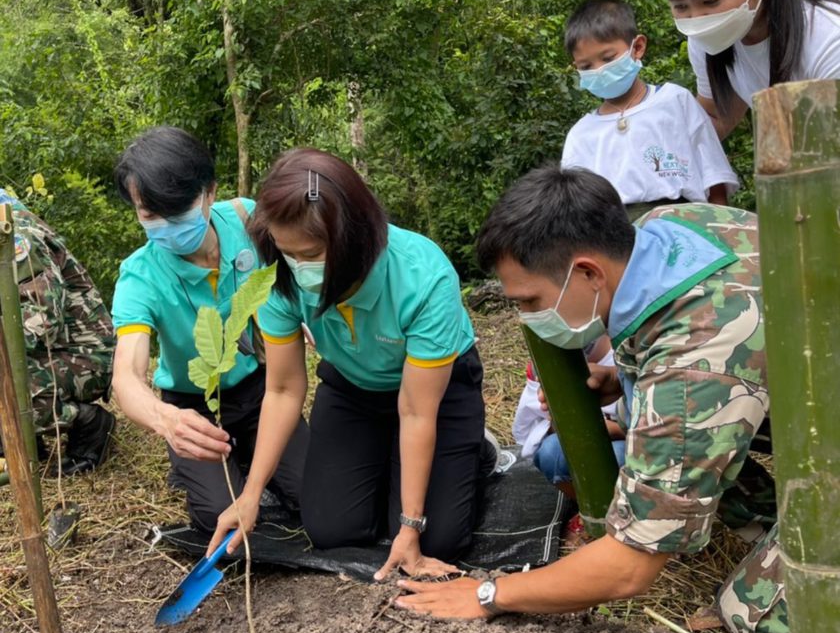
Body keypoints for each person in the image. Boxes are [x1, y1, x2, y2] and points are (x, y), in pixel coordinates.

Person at [395, 167, 785, 633]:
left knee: (753, 617)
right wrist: (629, 385)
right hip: (803, 396)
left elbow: (629, 568)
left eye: (530, 301)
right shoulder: (667, 228)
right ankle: (775, 527)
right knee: (692, 440)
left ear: (587, 273)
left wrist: (489, 593)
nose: (527, 317)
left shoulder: (694, 362)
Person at [208, 149, 490, 582]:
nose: (299, 267)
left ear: (353, 237)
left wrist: (410, 526)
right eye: (288, 252)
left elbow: (416, 411)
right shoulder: (278, 277)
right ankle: (387, 455)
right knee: (331, 529)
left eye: (311, 253)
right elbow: (282, 389)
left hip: (434, 395)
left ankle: (474, 452)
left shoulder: (422, 276)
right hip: (353, 387)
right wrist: (250, 494)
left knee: (436, 539)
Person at [110, 127, 308, 534]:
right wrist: (166, 420)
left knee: (313, 495)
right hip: (193, 405)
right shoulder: (139, 276)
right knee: (220, 519)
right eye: (150, 215)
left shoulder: (247, 221)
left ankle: (250, 458)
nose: (167, 225)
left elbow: (292, 277)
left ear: (210, 192)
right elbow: (126, 376)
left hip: (259, 389)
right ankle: (204, 467)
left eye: (178, 210)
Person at [561, 0, 738, 221]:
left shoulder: (675, 101)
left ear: (637, 47)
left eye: (608, 58)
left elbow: (713, 175)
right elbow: (575, 210)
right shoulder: (581, 134)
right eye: (586, 66)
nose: (599, 70)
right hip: (617, 233)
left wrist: (721, 227)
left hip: (686, 224)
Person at [0, 189, 115, 474]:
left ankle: (88, 423)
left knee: (6, 383)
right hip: (48, 353)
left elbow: (43, 320)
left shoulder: (15, 236)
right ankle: (25, 440)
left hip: (85, 356)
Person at [666, 0, 840, 139]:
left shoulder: (829, 37)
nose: (697, 19)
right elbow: (715, 117)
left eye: (711, 1)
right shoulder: (707, 37)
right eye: (680, 6)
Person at [513, 334, 625, 497]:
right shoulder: (546, 363)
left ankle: (625, 504)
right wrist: (561, 422)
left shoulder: (629, 349)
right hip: (586, 440)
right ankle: (589, 505)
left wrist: (609, 429)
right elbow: (533, 429)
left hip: (634, 444)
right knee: (551, 451)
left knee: (617, 457)